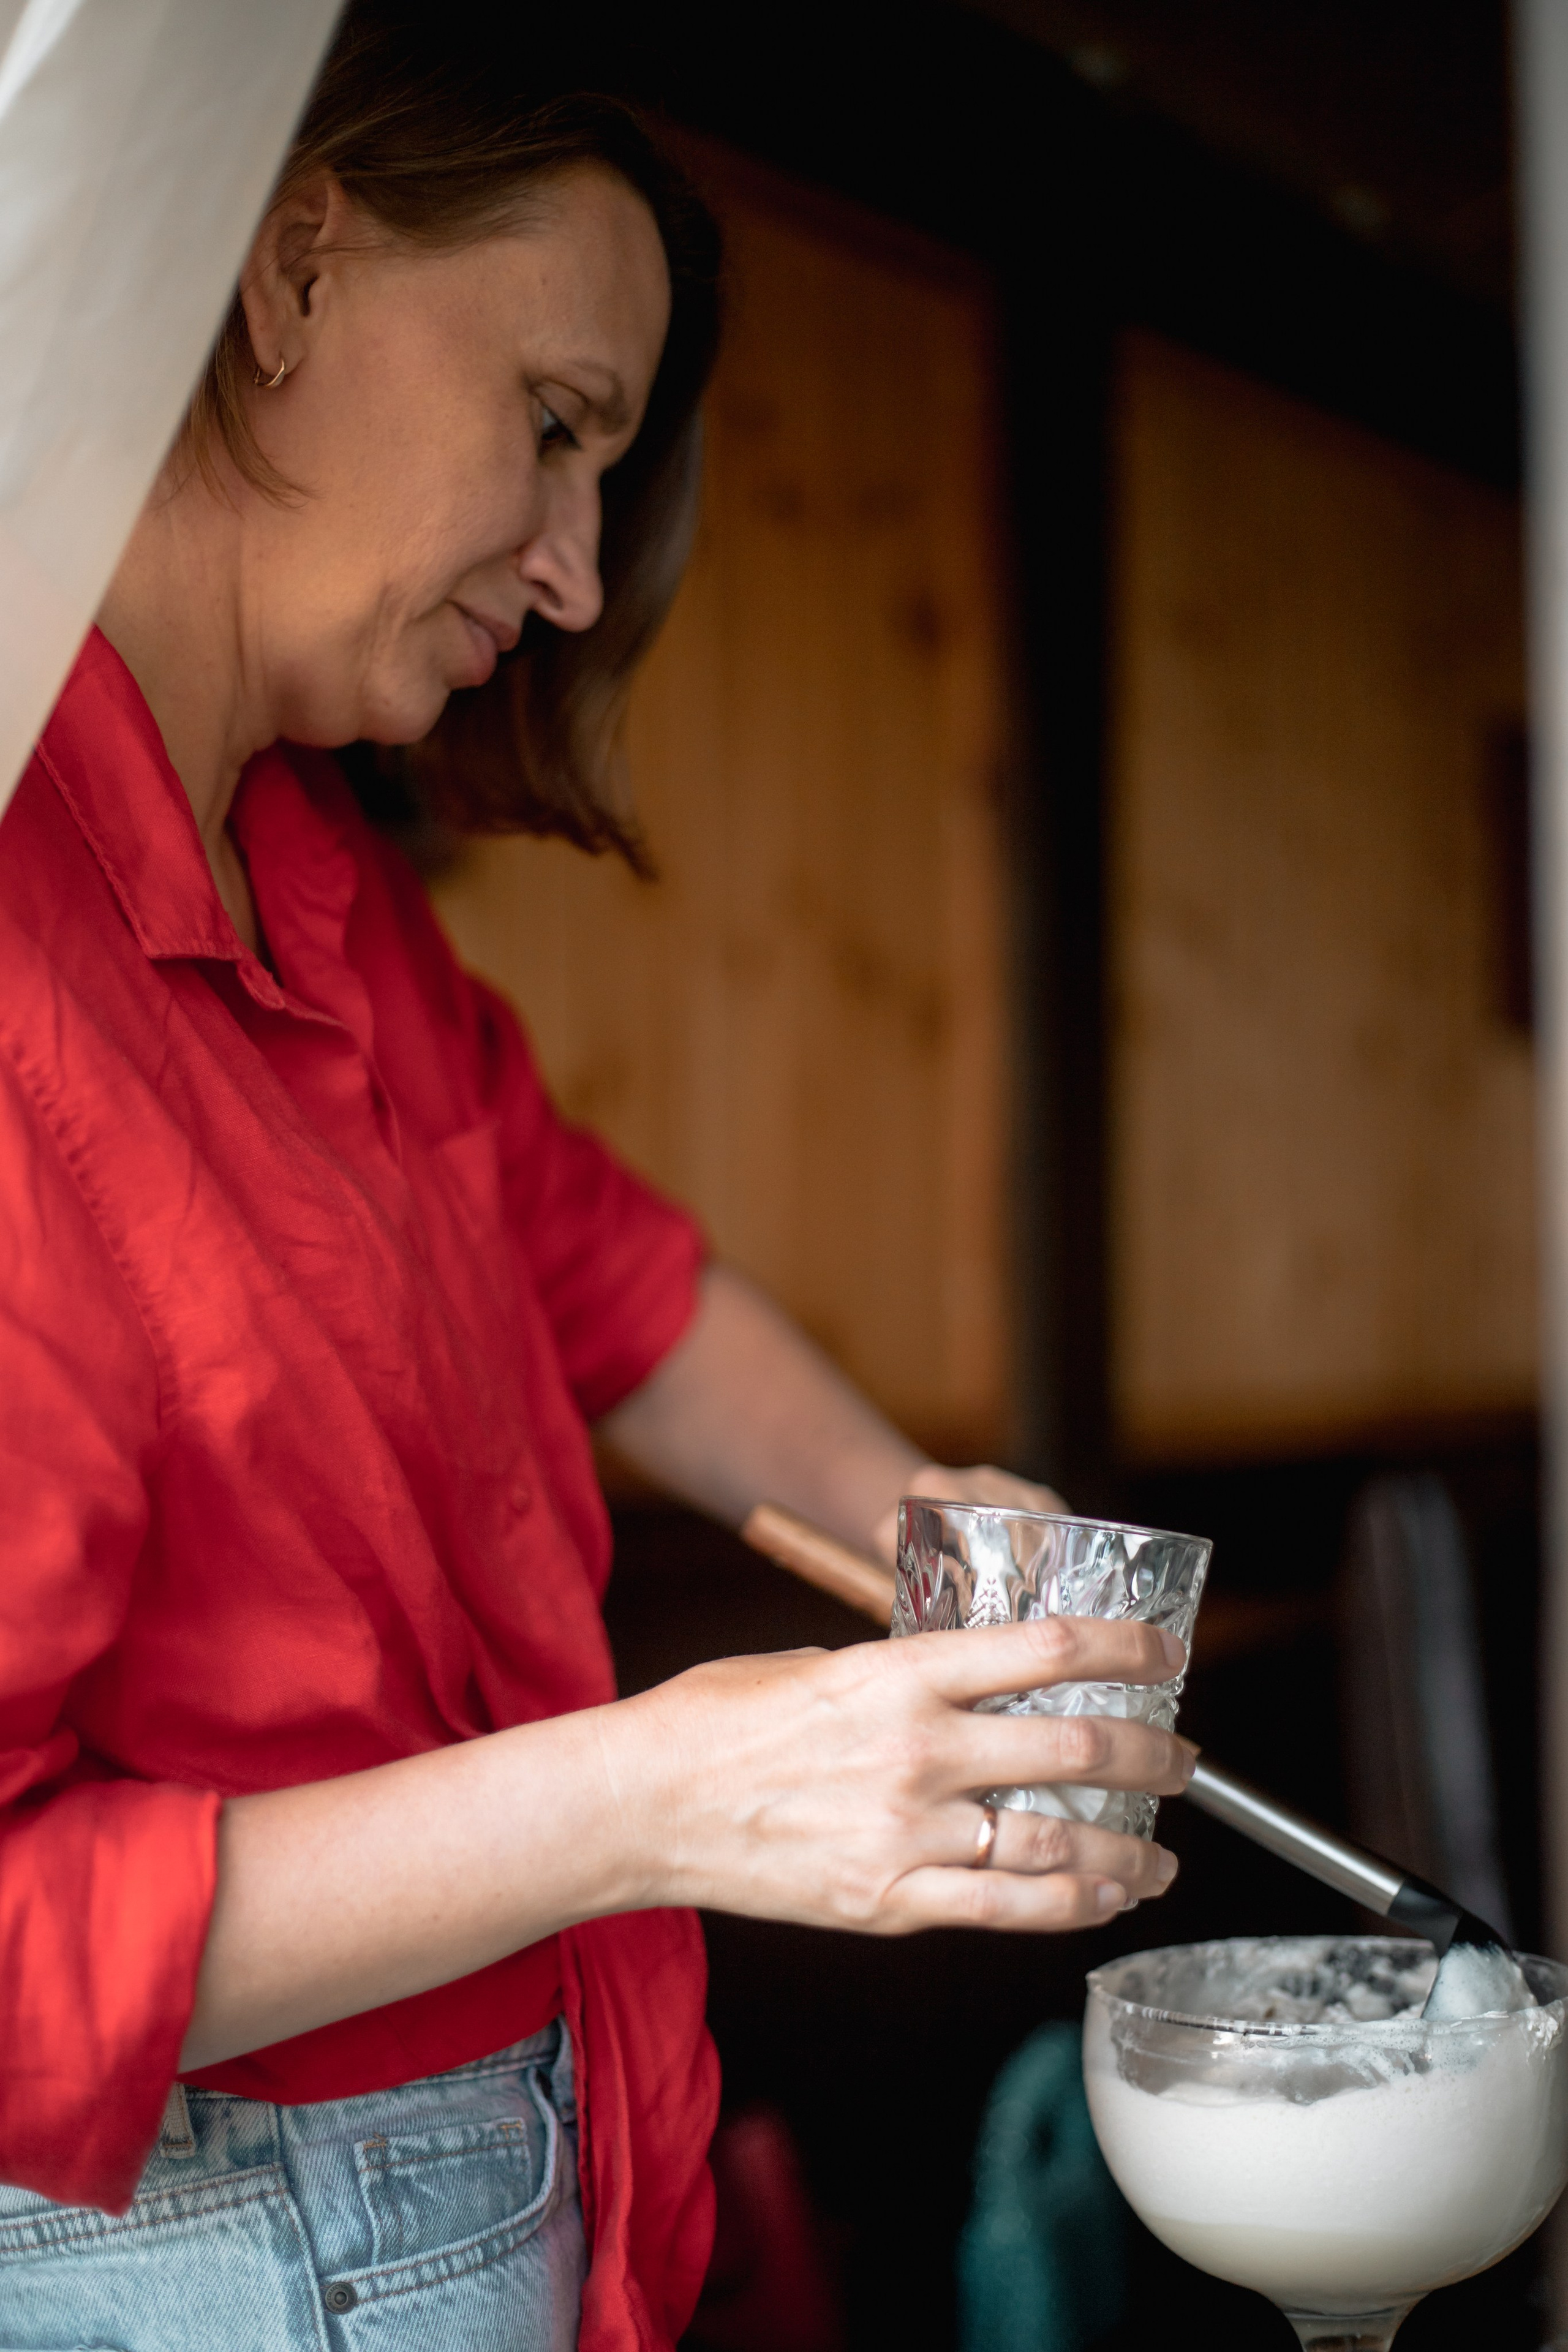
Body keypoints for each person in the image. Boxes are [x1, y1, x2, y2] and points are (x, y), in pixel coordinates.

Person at [0, 9, 1189, 2347]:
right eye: (556, 425)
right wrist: (647, 1798)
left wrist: (943, 1542)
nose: (568, 577)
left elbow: (624, 1295)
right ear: (289, 268)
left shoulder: (328, 912)